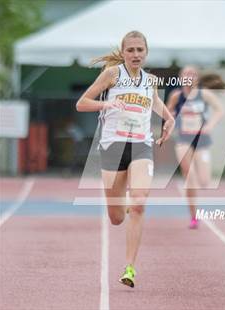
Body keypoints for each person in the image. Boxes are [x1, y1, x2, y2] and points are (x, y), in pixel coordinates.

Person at [76, 30, 175, 288]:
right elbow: (82, 103)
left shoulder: (150, 81)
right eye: (130, 50)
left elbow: (154, 103)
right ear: (123, 52)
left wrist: (169, 118)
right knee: (117, 217)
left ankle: (129, 268)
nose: (135, 54)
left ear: (146, 53)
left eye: (140, 50)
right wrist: (105, 105)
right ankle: (126, 206)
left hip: (141, 145)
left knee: (140, 203)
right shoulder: (112, 74)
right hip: (112, 147)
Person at [166, 66, 224, 229]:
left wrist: (210, 125)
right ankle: (193, 216)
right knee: (189, 176)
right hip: (184, 140)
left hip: (202, 141)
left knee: (204, 181)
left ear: (197, 78)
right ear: (180, 77)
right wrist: (170, 119)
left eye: (192, 74)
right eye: (185, 74)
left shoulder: (204, 95)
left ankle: (195, 181)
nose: (189, 77)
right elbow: (167, 112)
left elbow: (220, 110)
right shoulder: (176, 96)